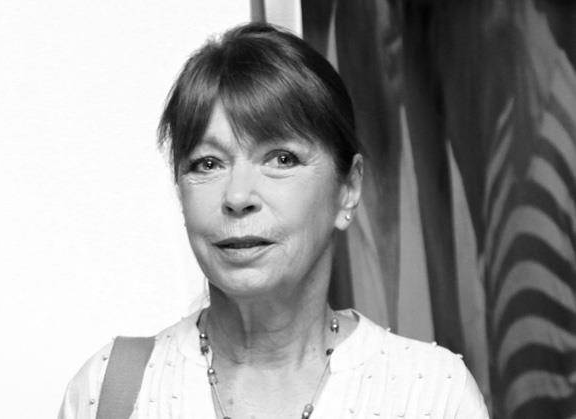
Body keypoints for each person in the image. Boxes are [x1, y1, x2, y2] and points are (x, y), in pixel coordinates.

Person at [58, 22, 488, 419]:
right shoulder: (110, 390)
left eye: (281, 159)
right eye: (207, 163)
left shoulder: (431, 395)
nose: (237, 196)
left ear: (348, 188)